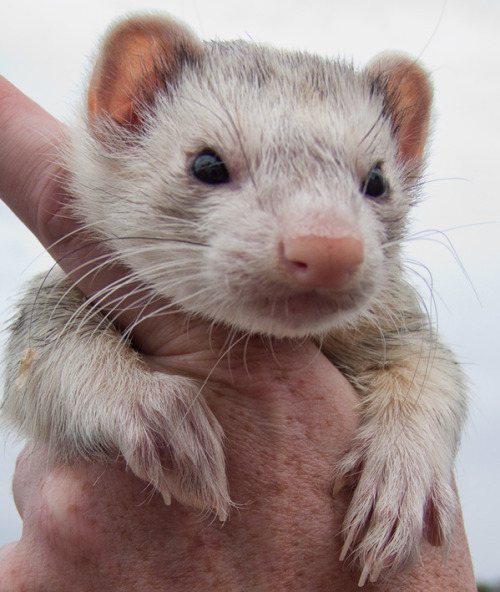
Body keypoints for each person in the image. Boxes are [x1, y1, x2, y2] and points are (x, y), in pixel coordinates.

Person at [0, 75, 476, 591]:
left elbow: (424, 372)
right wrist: (118, 395)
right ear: (126, 117)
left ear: (407, 155)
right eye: (211, 169)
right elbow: (38, 357)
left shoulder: (385, 316)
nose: (327, 240)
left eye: (374, 186)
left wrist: (411, 436)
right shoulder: (78, 293)